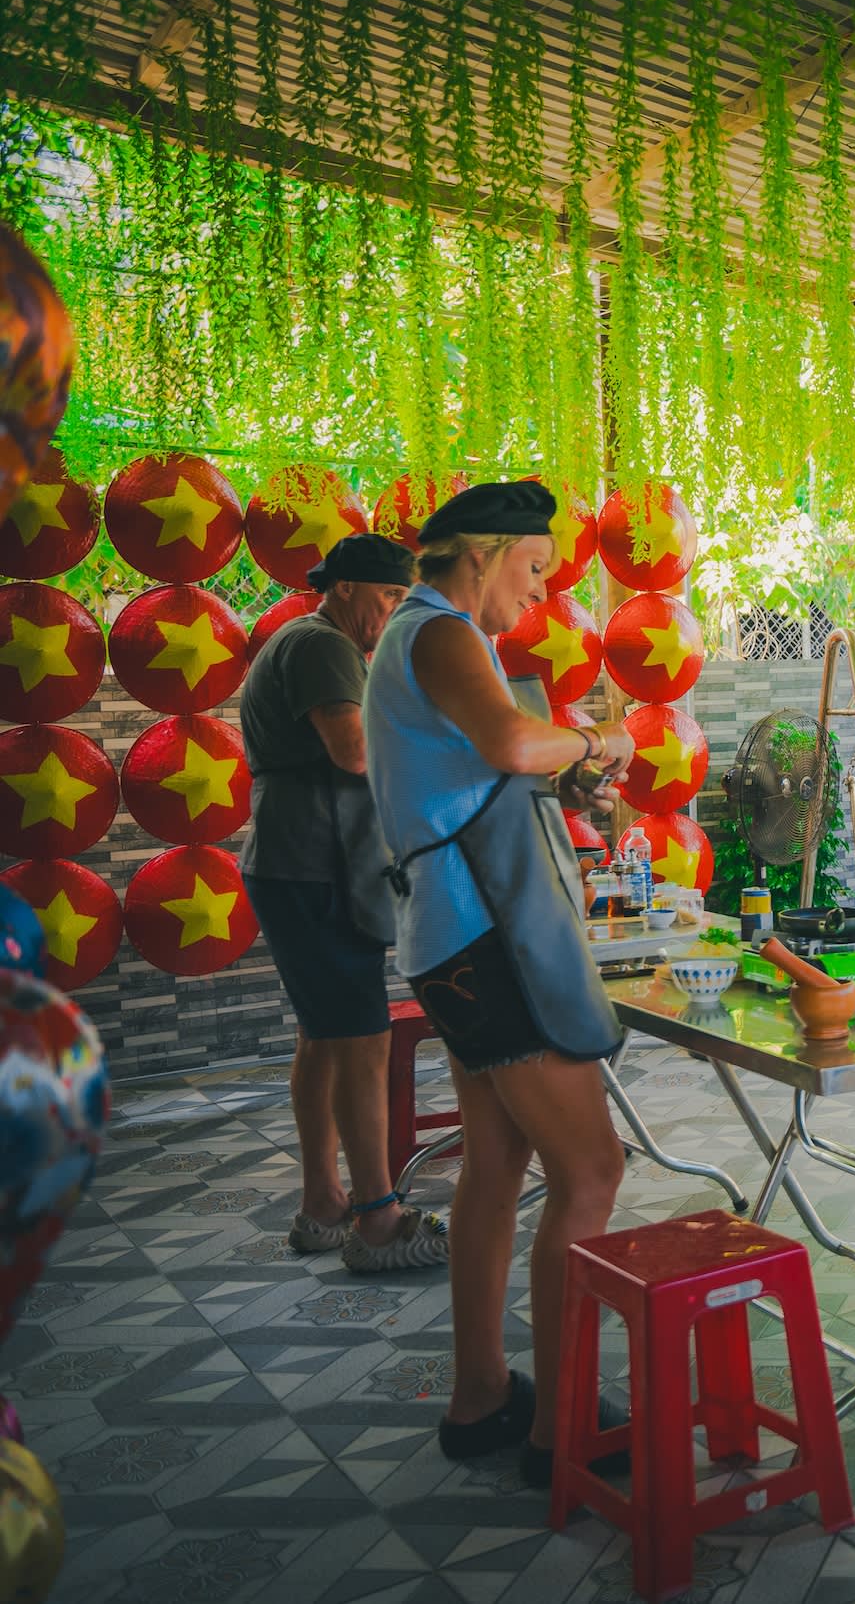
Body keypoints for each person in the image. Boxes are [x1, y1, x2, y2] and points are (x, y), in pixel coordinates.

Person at [362, 480, 636, 1482]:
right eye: (533, 567)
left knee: (497, 1160)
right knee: (592, 1170)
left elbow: (483, 769)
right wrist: (598, 740)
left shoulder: (419, 637)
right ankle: (563, 1430)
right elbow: (513, 742)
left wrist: (564, 772)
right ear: (480, 554)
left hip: (448, 938)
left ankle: (479, 1397)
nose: (540, 590)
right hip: (486, 939)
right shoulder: (440, 631)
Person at [237, 533, 447, 1273]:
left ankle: (323, 1205)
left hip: (295, 864)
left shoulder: (308, 641)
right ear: (347, 588)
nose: (392, 611)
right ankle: (378, 1219)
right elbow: (355, 751)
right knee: (363, 1039)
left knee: (324, 1037)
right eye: (388, 596)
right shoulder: (323, 644)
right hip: (313, 867)